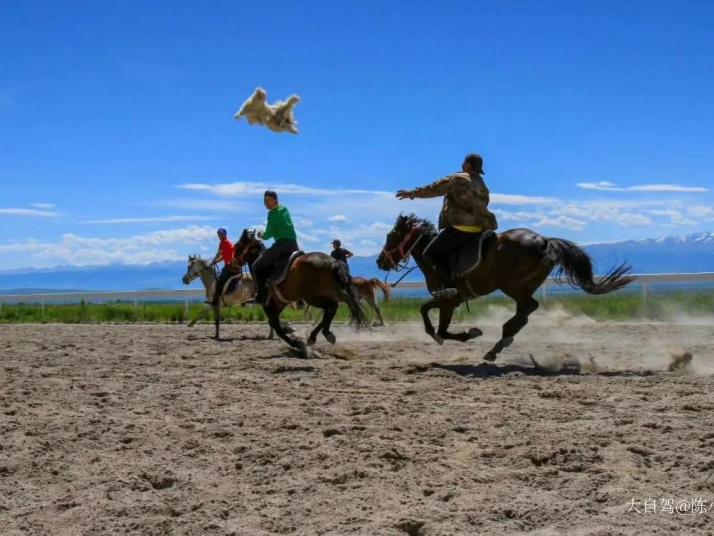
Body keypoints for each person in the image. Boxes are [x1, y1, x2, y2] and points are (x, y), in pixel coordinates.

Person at [396, 153, 498, 298]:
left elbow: (434, 189)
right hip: (480, 228)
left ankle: (448, 287)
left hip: (460, 227)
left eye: (464, 162)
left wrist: (412, 193)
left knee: (429, 254)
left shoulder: (458, 178)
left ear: (468, 165)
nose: (462, 164)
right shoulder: (480, 182)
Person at [253, 190, 300, 304]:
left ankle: (262, 295)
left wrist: (261, 235)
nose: (266, 203)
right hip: (294, 245)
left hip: (282, 245)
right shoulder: (284, 209)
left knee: (256, 265)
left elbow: (268, 234)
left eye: (268, 201)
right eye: (264, 201)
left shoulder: (272, 214)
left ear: (275, 200)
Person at [210, 228, 236, 305]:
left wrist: (213, 261)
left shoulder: (225, 243)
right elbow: (223, 256)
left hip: (230, 266)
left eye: (221, 234)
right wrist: (216, 261)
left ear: (225, 234)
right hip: (230, 265)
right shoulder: (224, 243)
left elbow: (219, 253)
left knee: (220, 280)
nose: (219, 236)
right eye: (218, 235)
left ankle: (216, 300)